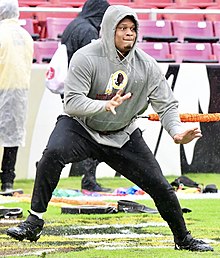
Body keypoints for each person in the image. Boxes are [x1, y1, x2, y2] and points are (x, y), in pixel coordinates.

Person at [7, 5, 213, 252]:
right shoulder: (85, 56)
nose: (129, 33)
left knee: (160, 185)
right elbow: (71, 102)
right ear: (107, 30)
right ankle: (34, 221)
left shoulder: (146, 65)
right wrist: (102, 105)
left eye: (132, 28)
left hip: (122, 133)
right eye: (122, 28)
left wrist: (176, 132)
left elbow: (167, 105)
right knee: (51, 155)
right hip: (81, 126)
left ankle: (183, 238)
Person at [60, 0, 112, 192]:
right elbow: (94, 63)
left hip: (71, 89)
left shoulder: (73, 26)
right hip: (84, 92)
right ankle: (89, 179)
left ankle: (47, 163)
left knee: (72, 133)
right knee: (94, 133)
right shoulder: (88, 31)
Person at [0, 0, 33, 192]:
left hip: (3, 88)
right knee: (13, 138)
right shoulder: (26, 35)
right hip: (19, 92)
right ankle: (8, 181)